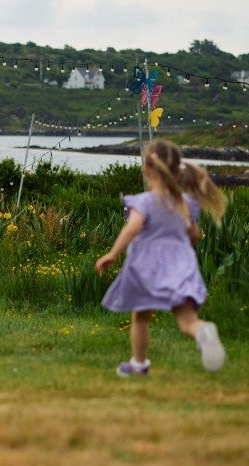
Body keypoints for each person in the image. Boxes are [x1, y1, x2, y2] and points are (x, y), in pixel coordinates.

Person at [94, 138, 229, 376]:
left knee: (141, 316)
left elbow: (133, 227)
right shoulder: (186, 203)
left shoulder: (144, 202)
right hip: (180, 263)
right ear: (178, 172)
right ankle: (202, 331)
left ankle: (138, 364)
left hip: (147, 267)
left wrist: (113, 253)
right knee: (186, 320)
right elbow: (194, 235)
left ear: (146, 170)